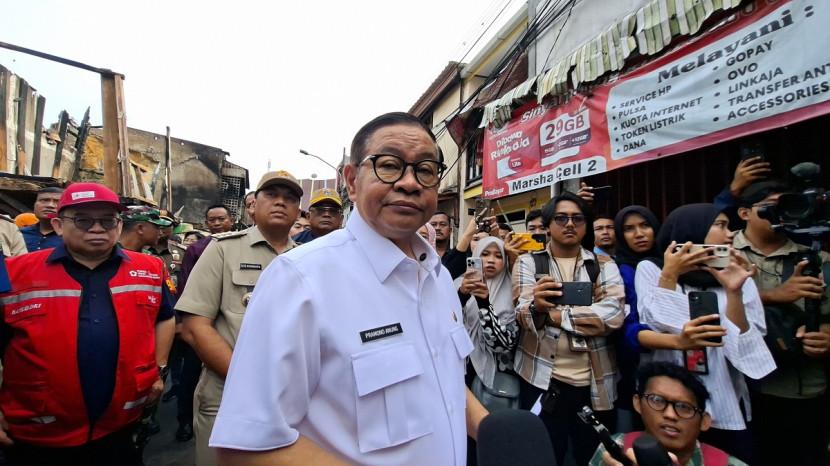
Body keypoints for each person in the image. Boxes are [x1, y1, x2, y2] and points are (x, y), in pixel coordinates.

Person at [210, 112, 488, 465]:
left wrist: (490, 429)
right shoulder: (299, 280)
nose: (409, 182)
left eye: (425, 169)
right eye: (389, 166)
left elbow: (441, 379)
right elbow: (245, 446)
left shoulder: (438, 276)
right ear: (352, 181)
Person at [0, 182, 175, 465]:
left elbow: (165, 318)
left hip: (121, 426)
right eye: (83, 220)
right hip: (38, 431)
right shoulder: (13, 273)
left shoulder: (151, 269)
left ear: (119, 225)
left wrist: (159, 368)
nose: (97, 228)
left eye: (107, 220)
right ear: (58, 225)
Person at [177, 170, 301, 466]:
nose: (280, 202)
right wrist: (248, 381)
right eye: (272, 195)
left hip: (291, 396)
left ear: (298, 211)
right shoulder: (222, 249)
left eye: (290, 198)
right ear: (253, 205)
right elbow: (194, 327)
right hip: (227, 393)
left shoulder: (307, 258)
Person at [636, 203, 776, 463]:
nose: (730, 233)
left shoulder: (737, 273)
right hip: (668, 401)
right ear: (693, 230)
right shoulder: (653, 269)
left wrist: (734, 291)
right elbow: (657, 325)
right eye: (720, 225)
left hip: (725, 398)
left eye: (729, 226)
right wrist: (671, 274)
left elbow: (747, 348)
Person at [512, 191, 625, 465]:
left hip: (595, 385)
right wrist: (537, 307)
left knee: (595, 457)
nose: (570, 224)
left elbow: (612, 315)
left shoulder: (603, 265)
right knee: (544, 456)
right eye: (561, 218)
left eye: (578, 218)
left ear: (586, 224)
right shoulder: (528, 262)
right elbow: (522, 313)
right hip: (541, 381)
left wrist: (552, 315)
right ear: (548, 224)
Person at [730, 181, 830, 466]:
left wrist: (825, 335)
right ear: (745, 213)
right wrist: (775, 295)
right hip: (743, 390)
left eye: (787, 206)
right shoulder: (725, 255)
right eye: (771, 207)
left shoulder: (817, 258)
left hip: (802, 388)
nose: (781, 213)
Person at [592, 362, 747, 466]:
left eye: (684, 407)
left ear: (704, 421)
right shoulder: (614, 449)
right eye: (657, 400)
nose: (670, 415)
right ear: (638, 404)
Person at [457, 237, 519, 390]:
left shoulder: (515, 291)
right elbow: (445, 324)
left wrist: (484, 303)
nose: (491, 260)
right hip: (459, 365)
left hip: (497, 377)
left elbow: (504, 345)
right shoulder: (458, 284)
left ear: (505, 260)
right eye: (484, 254)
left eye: (498, 256)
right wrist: (461, 296)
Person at [19, 186, 63, 252]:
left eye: (57, 202)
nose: (50, 205)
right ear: (34, 205)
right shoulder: (19, 234)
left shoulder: (72, 237)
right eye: (44, 200)